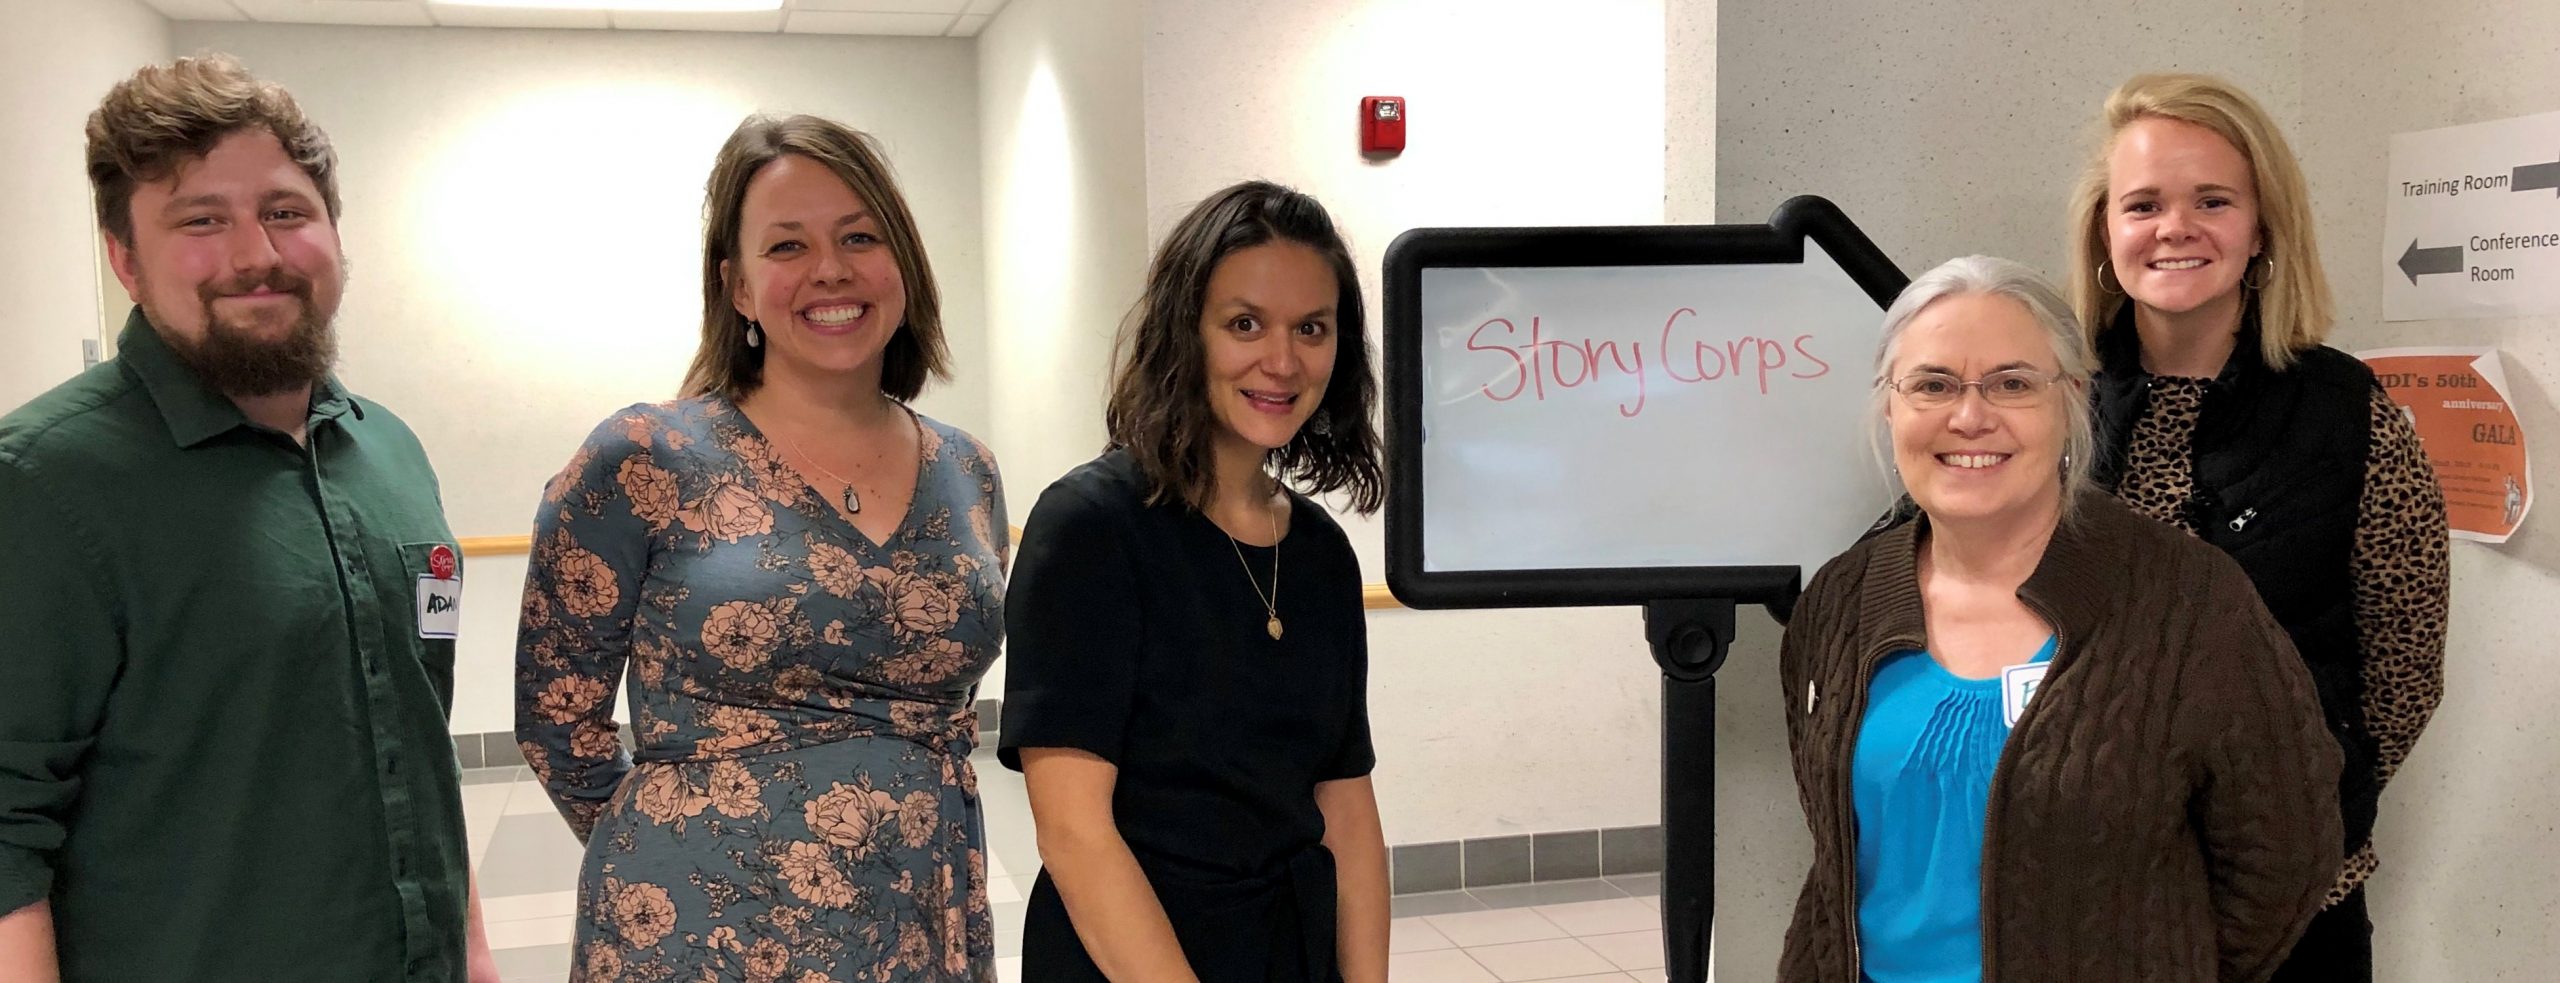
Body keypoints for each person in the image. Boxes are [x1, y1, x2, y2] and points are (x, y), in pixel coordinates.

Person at [0, 55, 496, 982]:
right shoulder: (43, 485)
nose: (256, 254)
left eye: (284, 211)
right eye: (201, 220)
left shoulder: (390, 454)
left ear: (334, 232)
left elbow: (419, 742)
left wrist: (471, 954)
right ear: (125, 259)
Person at [515, 114, 1007, 981]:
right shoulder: (643, 454)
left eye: (860, 236)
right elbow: (558, 717)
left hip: (916, 915)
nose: (831, 269)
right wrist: (674, 841)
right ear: (737, 287)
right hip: (702, 929)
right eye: (787, 246)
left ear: (904, 264)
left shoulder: (966, 467)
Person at [1778, 255, 2342, 983]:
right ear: (1890, 405)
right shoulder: (1840, 604)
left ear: (2072, 399)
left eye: (2013, 383)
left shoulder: (2189, 603)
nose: (1970, 415)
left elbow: (2286, 852)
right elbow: (1836, 862)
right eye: (1932, 384)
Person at [2067, 73, 2451, 982]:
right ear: (2104, 234)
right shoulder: (2038, 400)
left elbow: (2404, 663)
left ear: (2262, 226)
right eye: (2143, 204)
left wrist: (2302, 792)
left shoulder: (2350, 414)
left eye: (2213, 199)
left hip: (2290, 899)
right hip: (2078, 890)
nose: (2175, 227)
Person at [999, 180, 1389, 982]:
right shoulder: (1091, 528)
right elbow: (1074, 832)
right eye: (1244, 323)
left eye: (1310, 328)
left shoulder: (1317, 551)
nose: (1281, 361)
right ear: (1187, 332)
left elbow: (1345, 807)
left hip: (1287, 945)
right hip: (1130, 953)